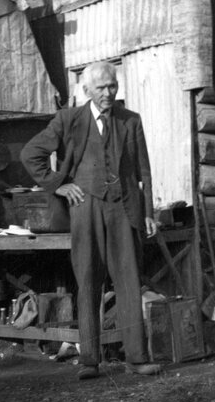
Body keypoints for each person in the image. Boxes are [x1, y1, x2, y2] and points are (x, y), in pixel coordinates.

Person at [21, 61, 161, 379]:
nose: (108, 93)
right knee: (87, 281)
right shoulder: (69, 120)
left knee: (128, 281)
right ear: (87, 91)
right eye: (101, 88)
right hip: (85, 209)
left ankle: (137, 358)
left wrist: (149, 212)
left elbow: (144, 171)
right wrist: (60, 184)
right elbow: (31, 153)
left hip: (123, 210)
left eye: (112, 86)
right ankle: (89, 361)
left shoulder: (131, 121)